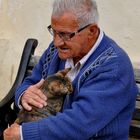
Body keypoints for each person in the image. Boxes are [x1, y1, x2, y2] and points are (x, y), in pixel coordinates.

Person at [4, 0, 138, 140]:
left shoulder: (114, 67)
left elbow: (80, 124)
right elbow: (31, 82)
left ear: (92, 31)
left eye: (65, 34)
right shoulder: (58, 50)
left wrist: (24, 134)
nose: (56, 42)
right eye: (54, 32)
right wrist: (24, 94)